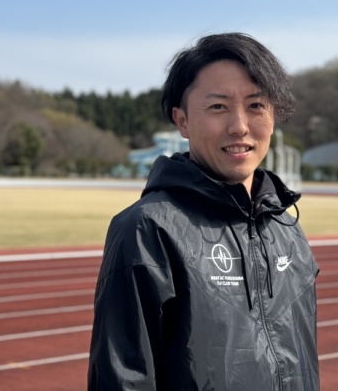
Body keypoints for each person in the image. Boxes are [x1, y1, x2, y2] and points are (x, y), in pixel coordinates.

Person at [87, 32, 319, 391]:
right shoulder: (147, 230)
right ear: (182, 121)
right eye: (218, 107)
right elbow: (123, 380)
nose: (239, 126)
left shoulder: (286, 229)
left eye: (256, 105)